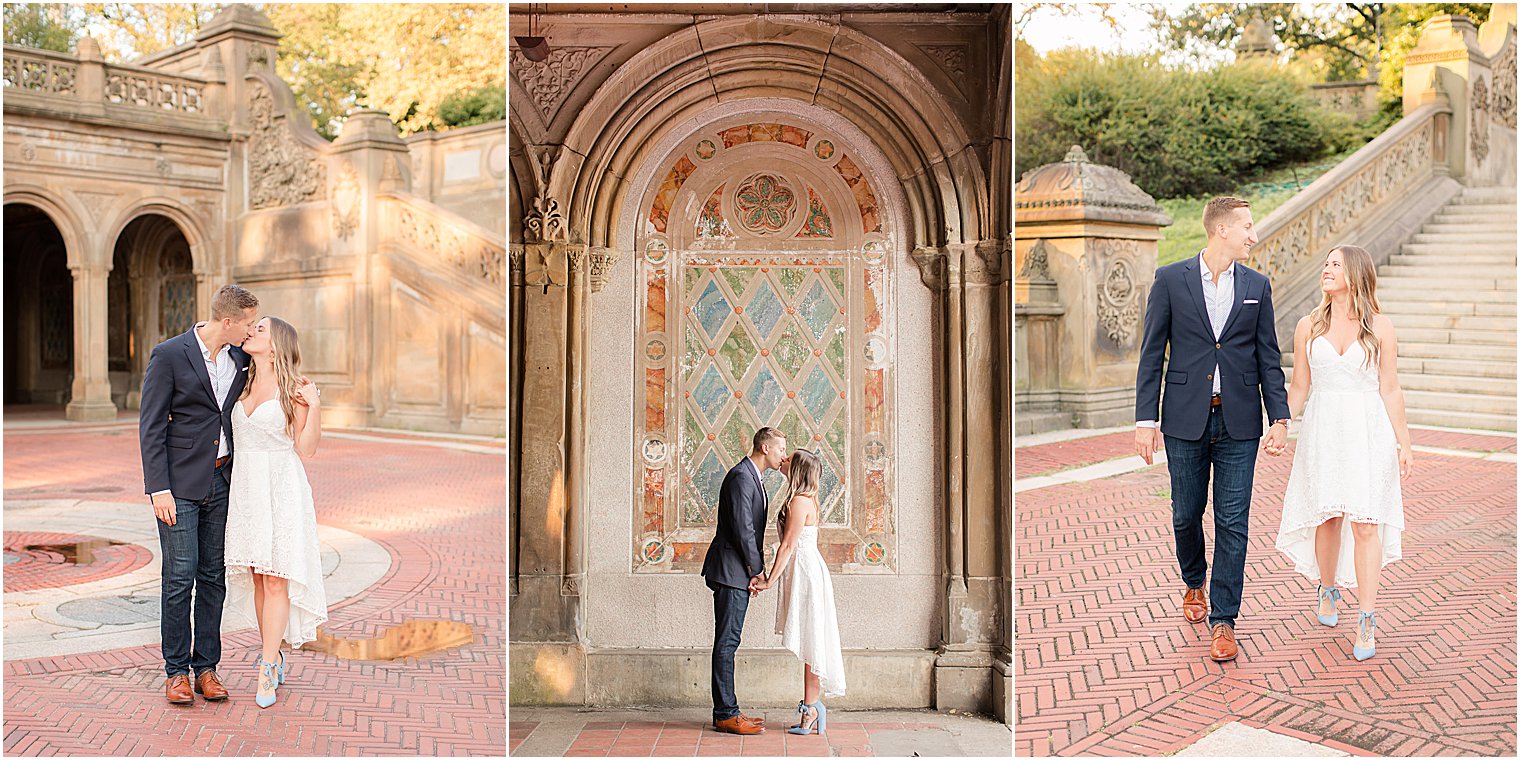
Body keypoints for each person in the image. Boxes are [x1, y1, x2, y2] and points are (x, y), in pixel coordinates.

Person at [1134, 196, 1291, 662]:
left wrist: (1279, 417)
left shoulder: (1257, 286)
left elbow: (1269, 356)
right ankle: (1193, 581)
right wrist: (1147, 420)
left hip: (1239, 419)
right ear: (1222, 229)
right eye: (1246, 226)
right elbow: (1151, 354)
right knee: (1185, 513)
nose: (1253, 234)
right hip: (1184, 418)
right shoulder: (1170, 280)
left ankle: (1225, 619)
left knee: (1233, 521)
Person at [1274, 244, 1411, 661]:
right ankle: (1327, 587)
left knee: (1367, 523)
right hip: (1322, 429)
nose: (1327, 269)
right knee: (1328, 516)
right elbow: (1299, 386)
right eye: (1326, 263)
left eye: (1335, 264)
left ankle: (1367, 617)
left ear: (1355, 272)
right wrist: (1281, 423)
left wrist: (1404, 441)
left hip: (1368, 431)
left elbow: (1390, 387)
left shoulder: (1381, 326)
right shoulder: (1308, 325)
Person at [139, 284, 259, 704]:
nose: (252, 330)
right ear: (228, 322)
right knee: (179, 578)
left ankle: (206, 667)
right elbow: (151, 426)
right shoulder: (169, 354)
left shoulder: (241, 357)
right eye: (248, 324)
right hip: (179, 487)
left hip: (224, 483)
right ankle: (176, 672)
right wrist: (158, 488)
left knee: (212, 577)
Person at [223, 316, 328, 707]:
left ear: (276, 343)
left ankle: (267, 666)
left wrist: (314, 407)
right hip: (247, 489)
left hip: (281, 488)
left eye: (260, 329)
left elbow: (307, 448)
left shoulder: (293, 389)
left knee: (276, 579)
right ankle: (274, 650)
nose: (251, 332)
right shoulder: (240, 379)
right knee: (257, 576)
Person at [748, 449, 846, 735]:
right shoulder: (803, 499)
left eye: (789, 458)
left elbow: (788, 547)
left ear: (797, 469)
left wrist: (768, 581)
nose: (784, 460)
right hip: (804, 571)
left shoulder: (800, 502)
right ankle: (812, 706)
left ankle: (812, 708)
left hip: (806, 574)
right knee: (810, 641)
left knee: (812, 641)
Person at [699, 426, 787, 734]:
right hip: (730, 571)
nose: (783, 456)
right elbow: (743, 530)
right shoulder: (741, 477)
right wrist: (757, 570)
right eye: (780, 450)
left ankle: (727, 709)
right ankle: (725, 713)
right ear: (765, 448)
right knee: (727, 642)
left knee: (729, 641)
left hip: (737, 570)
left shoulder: (753, 478)